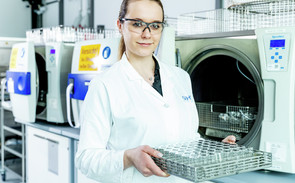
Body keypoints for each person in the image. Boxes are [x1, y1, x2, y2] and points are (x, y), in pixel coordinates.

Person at [75, 0, 236, 182]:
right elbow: (86, 159)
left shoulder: (180, 77)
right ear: (120, 26)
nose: (147, 34)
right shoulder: (104, 85)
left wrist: (214, 150)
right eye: (137, 24)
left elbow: (188, 139)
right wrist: (128, 157)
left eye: (155, 25)